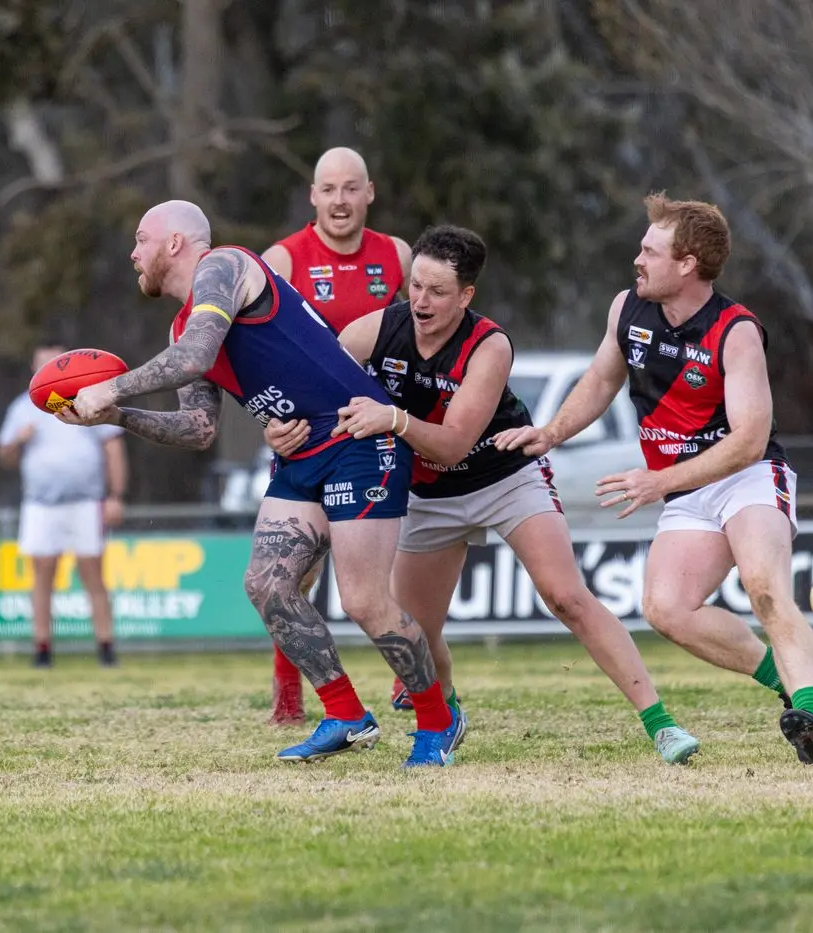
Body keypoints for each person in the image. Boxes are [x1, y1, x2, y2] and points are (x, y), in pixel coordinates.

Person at [268, 225, 700, 763]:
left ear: (466, 295)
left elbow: (451, 445)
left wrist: (394, 418)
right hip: (427, 495)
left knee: (567, 597)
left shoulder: (489, 345)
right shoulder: (374, 330)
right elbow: (308, 387)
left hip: (504, 479)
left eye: (438, 292)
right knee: (415, 633)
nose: (421, 301)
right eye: (416, 287)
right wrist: (279, 424)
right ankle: (445, 715)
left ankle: (661, 724)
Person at [63, 199, 464, 768]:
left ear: (175, 243)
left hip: (358, 435)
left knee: (364, 601)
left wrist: (114, 389)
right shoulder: (184, 323)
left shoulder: (223, 266)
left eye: (141, 240)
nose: (133, 254)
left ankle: (438, 720)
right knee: (267, 584)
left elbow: (197, 353)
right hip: (301, 453)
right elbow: (199, 429)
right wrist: (118, 418)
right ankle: (346, 714)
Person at [496, 193, 813, 763]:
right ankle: (795, 687)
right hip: (686, 489)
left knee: (764, 588)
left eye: (650, 250)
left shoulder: (735, 330)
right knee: (667, 609)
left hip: (747, 475)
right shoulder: (627, 309)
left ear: (687, 262)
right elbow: (599, 380)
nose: (636, 260)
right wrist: (550, 433)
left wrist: (660, 481)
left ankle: (810, 710)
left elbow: (746, 440)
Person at [260, 146, 414, 723]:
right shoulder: (284, 258)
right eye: (329, 189)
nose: (341, 200)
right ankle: (289, 699)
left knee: (390, 567)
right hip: (308, 436)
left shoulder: (397, 256)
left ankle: (411, 683)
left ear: (370, 192)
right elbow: (258, 352)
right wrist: (270, 422)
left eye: (352, 188)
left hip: (377, 432)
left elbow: (421, 335)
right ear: (313, 196)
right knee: (296, 572)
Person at [0, 340, 127, 667]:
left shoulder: (86, 401)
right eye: (42, 364)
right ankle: (42, 648)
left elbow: (113, 449)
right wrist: (18, 441)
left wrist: (115, 496)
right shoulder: (22, 408)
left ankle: (105, 646)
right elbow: (4, 456)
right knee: (42, 575)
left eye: (55, 363)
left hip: (85, 502)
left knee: (93, 574)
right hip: (41, 503)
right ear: (32, 368)